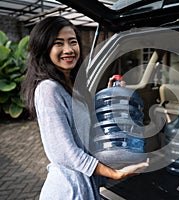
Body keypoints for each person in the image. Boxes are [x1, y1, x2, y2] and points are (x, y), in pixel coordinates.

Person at [21, 16, 149, 200]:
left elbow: (85, 127)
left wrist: (110, 94)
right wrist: (114, 174)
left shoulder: (72, 86)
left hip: (85, 186)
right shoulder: (48, 89)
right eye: (59, 43)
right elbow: (63, 152)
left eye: (72, 42)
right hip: (68, 190)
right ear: (44, 48)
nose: (68, 49)